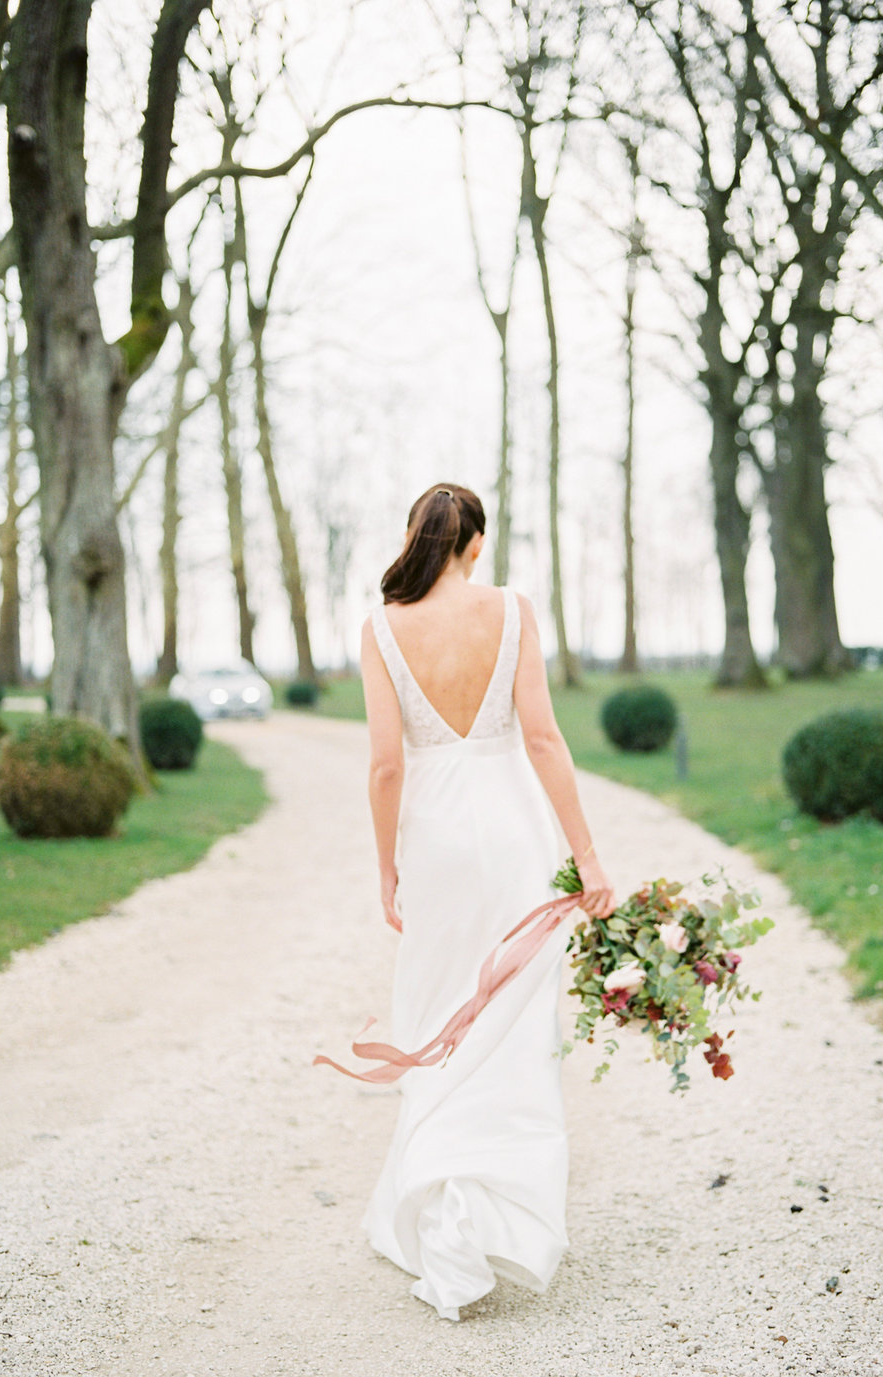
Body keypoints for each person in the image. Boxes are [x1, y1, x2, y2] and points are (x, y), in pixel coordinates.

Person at [359, 482, 616, 1321]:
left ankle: (448, 1217)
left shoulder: (381, 627)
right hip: (512, 837)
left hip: (434, 840)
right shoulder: (512, 610)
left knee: (439, 1015)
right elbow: (542, 738)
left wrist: (388, 866)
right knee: (509, 1024)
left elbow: (387, 765)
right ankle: (485, 1213)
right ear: (474, 545)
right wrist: (586, 856)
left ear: (418, 541)